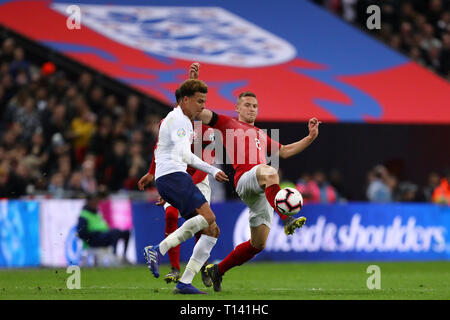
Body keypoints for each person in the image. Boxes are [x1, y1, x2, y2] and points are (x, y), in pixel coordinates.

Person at [191, 63, 320, 292]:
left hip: (261, 190)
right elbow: (199, 112)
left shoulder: (260, 134)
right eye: (247, 105)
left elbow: (285, 151)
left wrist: (310, 137)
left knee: (257, 244)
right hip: (245, 180)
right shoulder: (227, 123)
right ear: (237, 108)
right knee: (271, 170)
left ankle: (217, 271)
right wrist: (194, 85)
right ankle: (287, 219)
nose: (252, 109)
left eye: (255, 106)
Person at [141, 79, 229, 295]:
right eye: (200, 101)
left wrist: (193, 76)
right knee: (208, 218)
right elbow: (185, 155)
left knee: (212, 230)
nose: (203, 106)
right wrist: (212, 170)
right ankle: (157, 250)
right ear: (186, 100)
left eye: (205, 102)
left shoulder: (176, 117)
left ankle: (185, 282)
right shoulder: (181, 121)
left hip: (170, 177)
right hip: (174, 176)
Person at [76, 192, 130, 263]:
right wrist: (92, 236)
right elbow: (81, 233)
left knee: (126, 232)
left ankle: (124, 256)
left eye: (97, 201)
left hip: (103, 237)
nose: (96, 203)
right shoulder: (84, 215)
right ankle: (114, 255)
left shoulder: (96, 213)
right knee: (115, 232)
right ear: (89, 202)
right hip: (94, 240)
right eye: (94, 201)